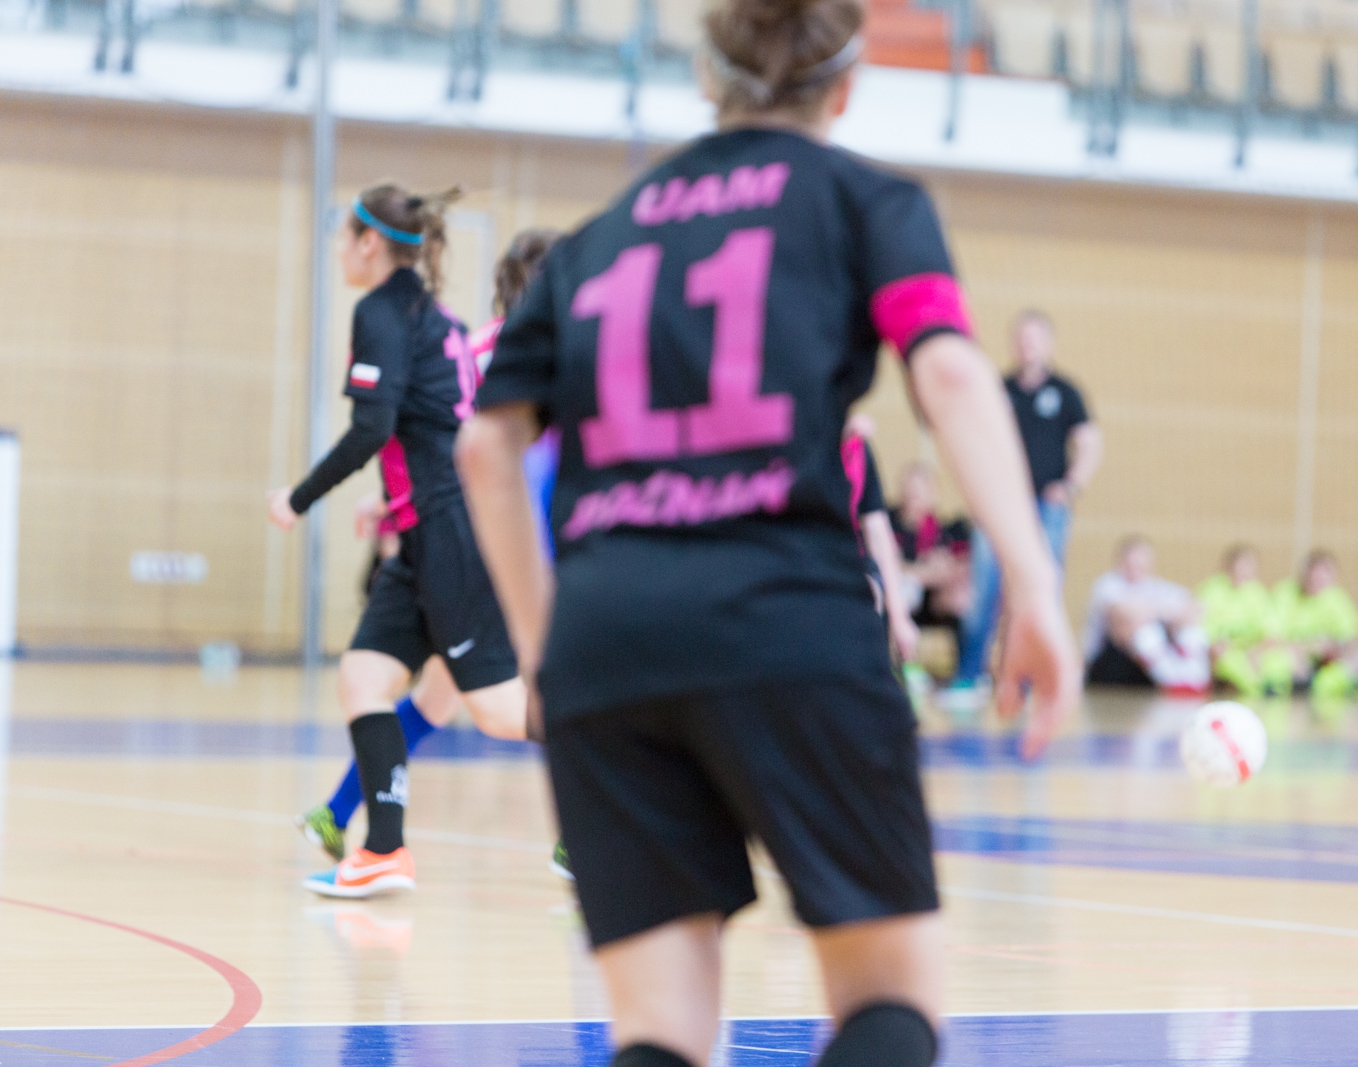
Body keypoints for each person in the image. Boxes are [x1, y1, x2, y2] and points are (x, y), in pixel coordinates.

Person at [456, 4, 1083, 1063]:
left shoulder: (600, 235)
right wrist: (1034, 586)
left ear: (707, 76)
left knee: (658, 1030)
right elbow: (946, 370)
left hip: (608, 638)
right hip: (785, 614)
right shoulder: (863, 200)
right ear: (845, 86)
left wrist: (544, 647)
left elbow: (485, 448)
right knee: (887, 1001)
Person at [268, 183, 532, 899]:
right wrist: (388, 509)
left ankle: (632, 745)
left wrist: (297, 499)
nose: (340, 251)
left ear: (369, 243)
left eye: (344, 237)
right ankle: (383, 848)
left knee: (503, 714)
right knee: (363, 679)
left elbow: (373, 428)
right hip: (423, 534)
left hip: (451, 535)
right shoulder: (434, 316)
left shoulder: (381, 312)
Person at [947, 309, 1102, 707]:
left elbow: (1088, 443)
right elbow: (973, 438)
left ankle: (1030, 681)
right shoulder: (998, 389)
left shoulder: (1066, 392)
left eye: (1034, 337)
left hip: (1047, 509)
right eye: (1021, 337)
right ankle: (970, 679)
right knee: (984, 591)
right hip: (998, 506)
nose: (1027, 344)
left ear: (1048, 343)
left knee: (1039, 591)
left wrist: (1071, 486)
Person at [1083, 535, 1209, 694]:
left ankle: (1192, 678)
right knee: (1142, 630)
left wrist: (1159, 613)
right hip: (1108, 663)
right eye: (1131, 563)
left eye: (1141, 563)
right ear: (1121, 562)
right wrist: (1165, 613)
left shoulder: (1156, 587)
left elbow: (1195, 608)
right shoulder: (1107, 584)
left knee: (1191, 631)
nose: (1136, 568)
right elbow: (1123, 614)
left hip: (1143, 670)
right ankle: (1171, 679)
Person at [842, 413, 920, 665]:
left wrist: (899, 616)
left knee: (870, 590)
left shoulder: (859, 448)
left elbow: (877, 529)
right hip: (794, 560)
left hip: (846, 558)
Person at [1196, 544, 1291, 698]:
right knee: (1230, 663)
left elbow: (1272, 634)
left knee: (1279, 660)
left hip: (1253, 650)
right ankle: (1259, 692)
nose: (1242, 572)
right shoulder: (1212, 590)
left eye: (1248, 567)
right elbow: (1203, 630)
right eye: (1238, 566)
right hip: (1227, 652)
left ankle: (1274, 692)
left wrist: (1256, 652)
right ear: (1228, 567)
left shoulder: (1258, 593)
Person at [890, 461, 971, 639]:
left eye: (920, 493)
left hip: (934, 599)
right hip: (898, 595)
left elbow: (954, 567)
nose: (914, 498)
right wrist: (921, 572)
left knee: (963, 595)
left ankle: (968, 662)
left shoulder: (945, 532)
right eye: (911, 492)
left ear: (933, 495)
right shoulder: (889, 525)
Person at [1274, 548, 1358, 699]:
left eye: (1322, 577)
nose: (1316, 581)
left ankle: (1327, 685)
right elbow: (1274, 635)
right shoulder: (1286, 593)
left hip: (1327, 662)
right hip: (1297, 657)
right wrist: (1308, 646)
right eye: (1313, 575)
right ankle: (1308, 686)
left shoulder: (1337, 598)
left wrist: (1333, 648)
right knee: (1279, 658)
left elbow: (1349, 638)